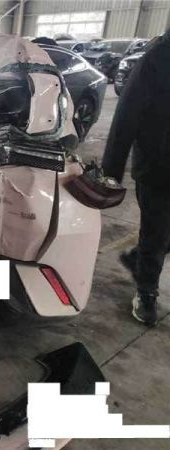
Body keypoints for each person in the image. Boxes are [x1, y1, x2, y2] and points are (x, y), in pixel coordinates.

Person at [102, 28, 170, 327]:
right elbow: (127, 113)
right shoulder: (159, 57)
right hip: (158, 166)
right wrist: (111, 170)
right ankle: (146, 292)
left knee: (161, 236)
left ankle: (137, 260)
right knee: (156, 232)